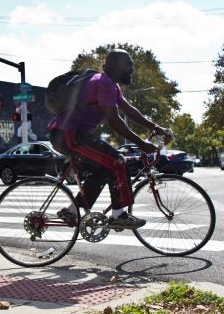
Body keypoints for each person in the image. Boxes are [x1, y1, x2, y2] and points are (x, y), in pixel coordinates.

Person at [48, 49, 172, 229]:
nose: (132, 68)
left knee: (103, 170)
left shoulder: (111, 85)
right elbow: (114, 120)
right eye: (128, 63)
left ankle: (71, 212)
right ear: (114, 66)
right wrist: (140, 143)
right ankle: (118, 215)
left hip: (72, 134)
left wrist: (155, 127)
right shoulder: (104, 82)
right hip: (69, 134)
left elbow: (129, 110)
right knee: (117, 162)